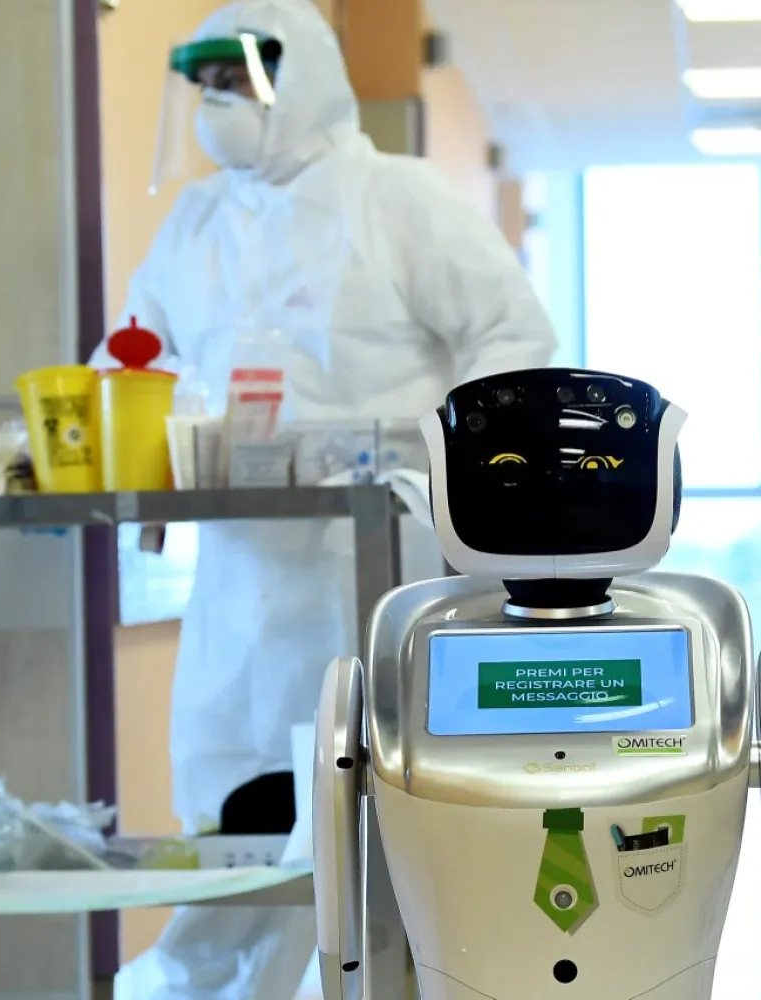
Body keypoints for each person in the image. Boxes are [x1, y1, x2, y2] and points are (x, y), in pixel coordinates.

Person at [92, 2, 558, 997]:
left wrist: (449, 478)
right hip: (238, 585)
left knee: (376, 819)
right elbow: (134, 356)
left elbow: (511, 337)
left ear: (296, 75)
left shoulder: (395, 198)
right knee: (238, 819)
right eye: (205, 85)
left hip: (376, 572)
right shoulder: (197, 222)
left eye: (237, 81)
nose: (217, 104)